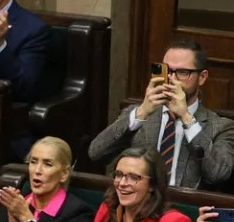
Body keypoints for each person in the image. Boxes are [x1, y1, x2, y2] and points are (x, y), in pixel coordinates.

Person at [89, 40, 234, 184]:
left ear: (202, 77)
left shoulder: (221, 127)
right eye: (166, 70)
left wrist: (187, 118)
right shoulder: (139, 115)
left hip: (185, 205)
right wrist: (141, 114)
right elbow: (96, 153)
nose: (172, 79)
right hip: (139, 202)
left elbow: (218, 173)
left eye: (183, 72)